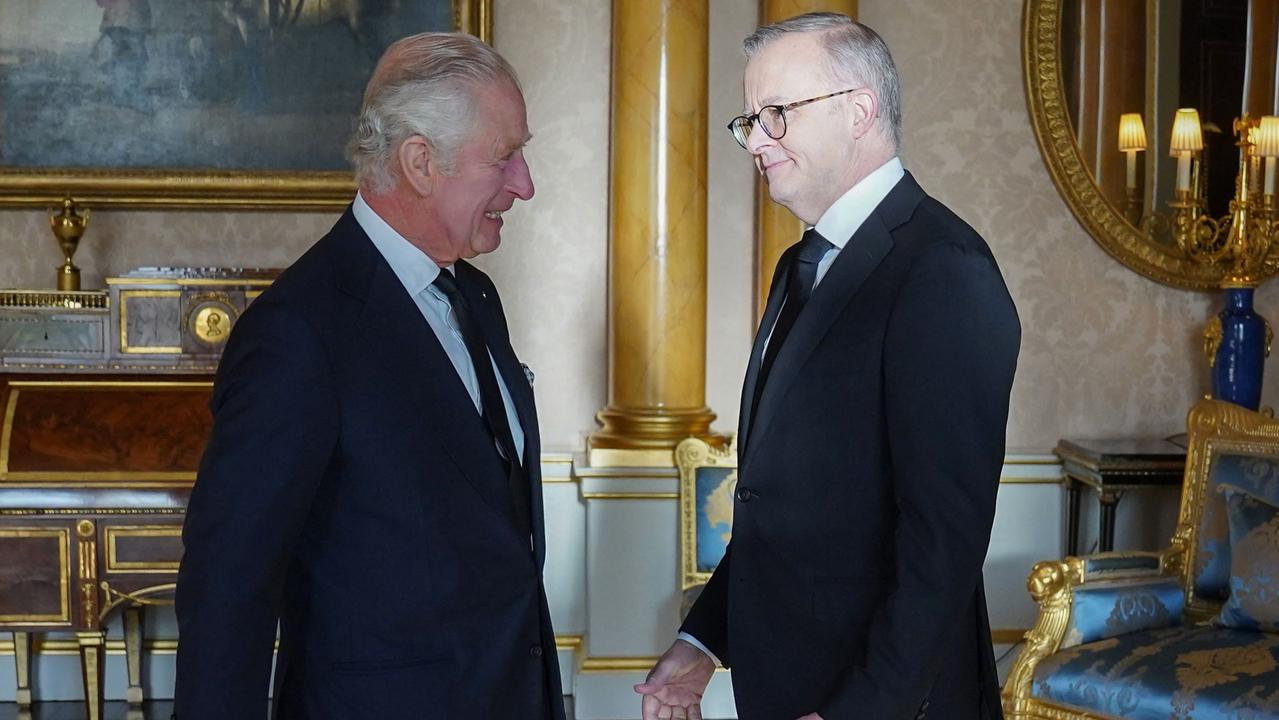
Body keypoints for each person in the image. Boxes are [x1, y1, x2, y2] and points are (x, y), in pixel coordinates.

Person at [636, 13, 1020, 720]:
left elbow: (942, 539)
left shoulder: (941, 269)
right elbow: (786, 504)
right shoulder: (800, 264)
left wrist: (863, 711)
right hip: (784, 680)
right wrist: (701, 638)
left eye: (776, 114)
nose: (754, 140)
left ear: (859, 111)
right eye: (748, 120)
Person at [174, 32, 564, 720]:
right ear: (420, 162)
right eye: (504, 157)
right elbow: (229, 578)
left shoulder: (474, 297)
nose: (524, 184)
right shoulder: (299, 331)